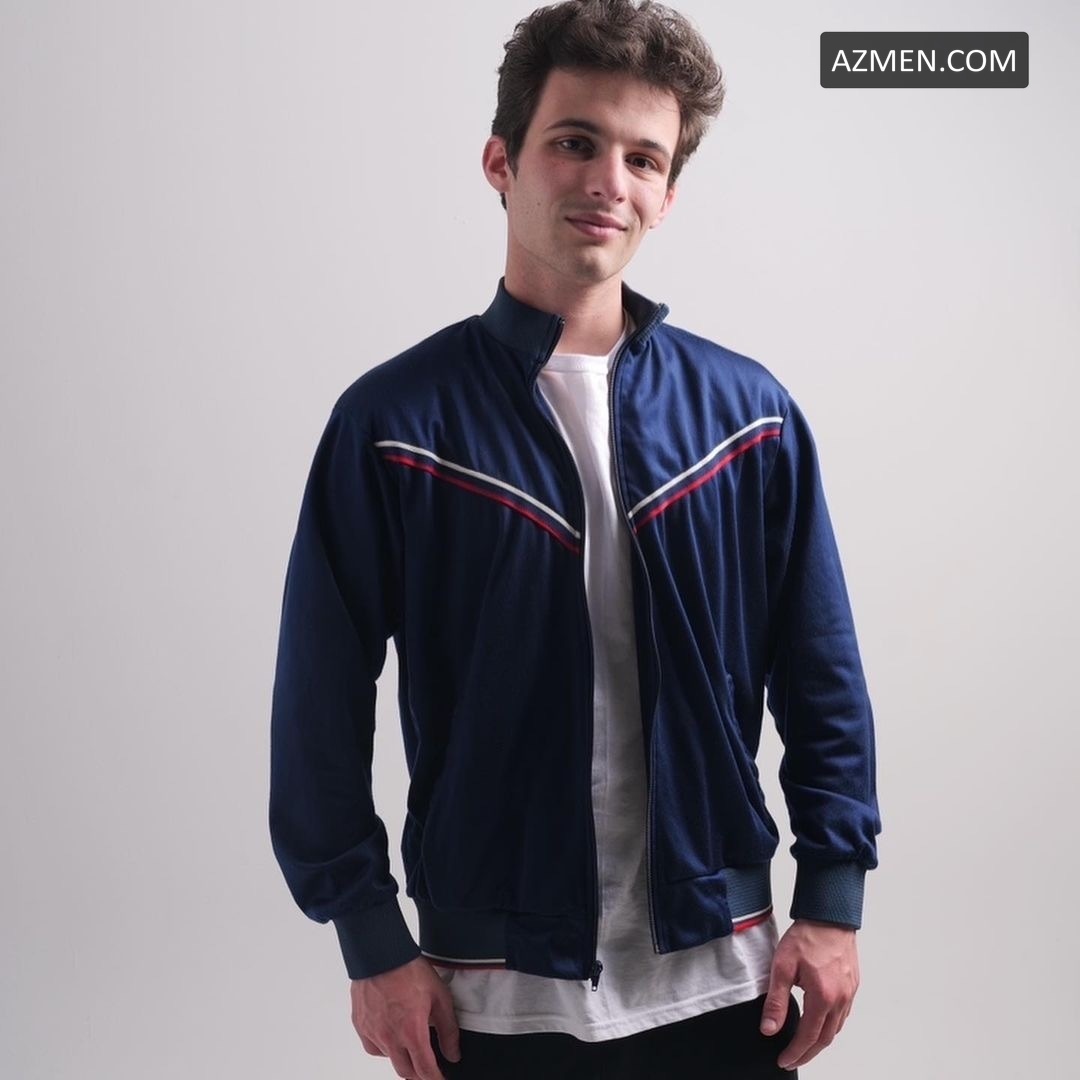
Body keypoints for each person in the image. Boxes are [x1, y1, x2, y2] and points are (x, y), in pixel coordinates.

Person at [268, 1, 881, 1077]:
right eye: (574, 142)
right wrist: (370, 942)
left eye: (644, 158)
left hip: (725, 972)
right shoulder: (396, 426)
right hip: (485, 988)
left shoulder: (748, 418)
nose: (609, 181)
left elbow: (820, 671)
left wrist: (833, 902)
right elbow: (317, 703)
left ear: (668, 195)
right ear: (501, 162)